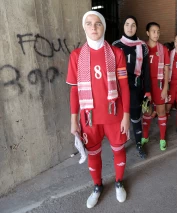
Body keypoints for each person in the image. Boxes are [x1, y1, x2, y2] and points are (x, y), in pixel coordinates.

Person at [66, 11, 130, 208]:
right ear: (84, 27)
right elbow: (75, 90)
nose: (93, 27)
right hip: (89, 117)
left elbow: (125, 87)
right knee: (93, 155)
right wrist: (73, 119)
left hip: (114, 114)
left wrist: (126, 115)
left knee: (118, 150)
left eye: (98, 24)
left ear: (104, 27)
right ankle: (97, 186)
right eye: (89, 23)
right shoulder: (76, 56)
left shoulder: (116, 53)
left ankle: (119, 182)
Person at [113, 16, 151, 159]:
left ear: (136, 27)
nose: (130, 27)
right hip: (119, 89)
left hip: (135, 88)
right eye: (127, 24)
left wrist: (147, 91)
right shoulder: (116, 45)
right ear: (123, 26)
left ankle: (139, 144)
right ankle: (119, 146)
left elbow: (146, 71)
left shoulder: (142, 46)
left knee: (135, 117)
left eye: (133, 25)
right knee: (119, 119)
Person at [142, 22, 170, 151]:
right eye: (153, 31)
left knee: (161, 111)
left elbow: (166, 70)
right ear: (147, 33)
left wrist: (165, 87)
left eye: (158, 31)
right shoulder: (142, 47)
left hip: (159, 85)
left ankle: (162, 138)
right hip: (146, 85)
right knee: (146, 111)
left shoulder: (163, 49)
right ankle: (145, 136)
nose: (156, 34)